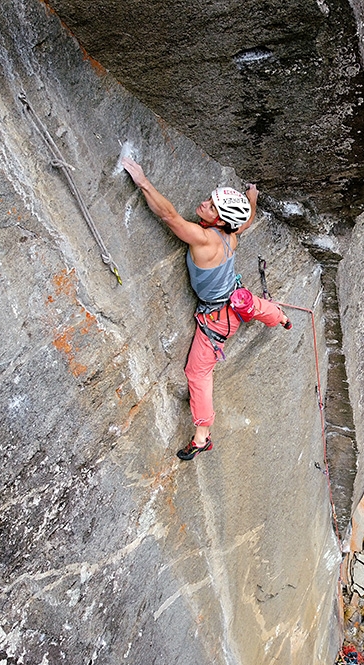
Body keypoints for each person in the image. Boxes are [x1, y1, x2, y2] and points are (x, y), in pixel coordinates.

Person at [121, 157, 290, 460]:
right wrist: (252, 193)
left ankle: (203, 435)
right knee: (250, 305)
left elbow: (171, 217)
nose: (203, 204)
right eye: (210, 200)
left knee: (197, 373)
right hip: (234, 299)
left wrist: (143, 182)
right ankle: (280, 317)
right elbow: (247, 219)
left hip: (217, 318)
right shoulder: (231, 235)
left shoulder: (204, 240)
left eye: (211, 207)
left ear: (220, 221)